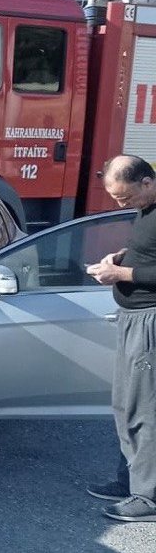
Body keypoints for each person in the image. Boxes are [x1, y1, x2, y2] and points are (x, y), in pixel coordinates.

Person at [86, 154, 156, 522]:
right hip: (132, 318)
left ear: (147, 182)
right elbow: (149, 253)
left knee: (147, 410)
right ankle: (130, 479)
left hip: (150, 321)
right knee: (124, 403)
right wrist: (118, 258)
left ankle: (149, 497)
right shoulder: (146, 210)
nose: (120, 205)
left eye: (125, 199)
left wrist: (122, 273)